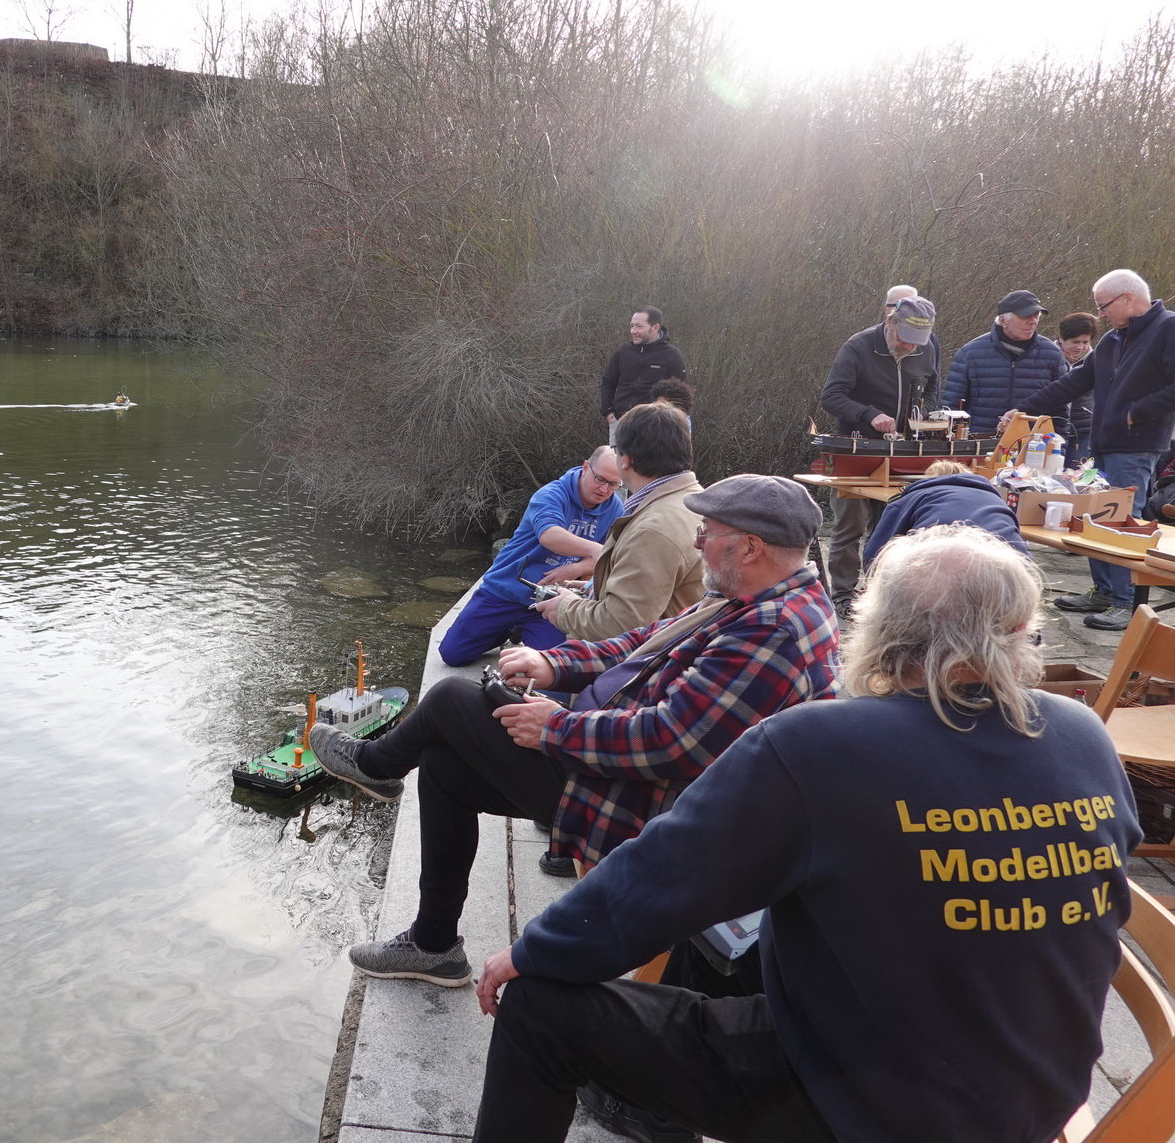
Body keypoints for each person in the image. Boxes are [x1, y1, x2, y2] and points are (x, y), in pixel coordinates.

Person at [469, 525, 1140, 1143]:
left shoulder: (820, 743)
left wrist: (534, 950)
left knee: (540, 1010)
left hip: (868, 1103)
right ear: (1021, 632)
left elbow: (659, 877)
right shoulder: (1081, 734)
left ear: (880, 628)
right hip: (1034, 1097)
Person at [308, 474, 837, 986]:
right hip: (629, 776)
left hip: (657, 813)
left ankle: (376, 766)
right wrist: (552, 665)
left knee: (450, 699)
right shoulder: (747, 598)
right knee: (444, 765)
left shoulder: (772, 629)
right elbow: (642, 644)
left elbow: (671, 741)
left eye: (708, 533)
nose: (698, 543)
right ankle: (433, 945)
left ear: (749, 547)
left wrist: (555, 727)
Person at [1003, 268, 1175, 629]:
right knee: (1094, 517)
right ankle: (1104, 591)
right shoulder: (1112, 341)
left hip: (1137, 445)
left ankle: (1126, 602)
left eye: (1103, 306)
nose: (1100, 315)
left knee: (1122, 520)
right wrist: (1024, 410)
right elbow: (1072, 383)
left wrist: (1136, 413)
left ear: (1127, 298)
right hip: (1102, 445)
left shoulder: (1168, 329)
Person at [437, 448, 625, 667]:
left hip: (549, 601)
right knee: (453, 655)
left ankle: (524, 628)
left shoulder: (615, 509)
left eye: (613, 484)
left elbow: (605, 558)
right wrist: (594, 549)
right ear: (585, 467)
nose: (604, 489)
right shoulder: (551, 494)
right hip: (505, 591)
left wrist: (576, 569)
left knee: (554, 666)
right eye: (600, 479)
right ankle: (508, 628)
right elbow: (549, 535)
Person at [536, 404, 705, 645]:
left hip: (651, 659)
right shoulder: (697, 502)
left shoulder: (653, 529)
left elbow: (622, 624)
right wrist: (599, 588)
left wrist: (565, 608)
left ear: (626, 460)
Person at [819, 288, 941, 615]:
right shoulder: (858, 346)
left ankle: (880, 595)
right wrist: (869, 414)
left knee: (891, 527)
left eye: (917, 342)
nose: (911, 347)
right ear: (890, 322)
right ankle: (843, 596)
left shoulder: (927, 347)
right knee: (850, 527)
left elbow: (932, 386)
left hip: (902, 452)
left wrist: (922, 412)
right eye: (905, 339)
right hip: (856, 451)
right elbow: (831, 396)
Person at [940, 289, 1069, 436]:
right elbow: (951, 407)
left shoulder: (1052, 354)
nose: (1033, 321)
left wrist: (1060, 444)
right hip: (979, 443)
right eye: (1025, 316)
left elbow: (1060, 409)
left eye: (1036, 315)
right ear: (1003, 320)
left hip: (1033, 444)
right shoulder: (969, 354)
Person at [862, 460, 1025, 566]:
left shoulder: (913, 498)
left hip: (936, 565)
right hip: (1009, 566)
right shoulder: (996, 500)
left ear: (929, 480)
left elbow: (875, 554)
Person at [601, 307, 688, 439]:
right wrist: (609, 413)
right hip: (620, 424)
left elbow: (682, 394)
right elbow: (608, 382)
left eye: (639, 326)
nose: (633, 331)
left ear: (655, 327)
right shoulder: (623, 351)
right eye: (632, 326)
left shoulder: (672, 354)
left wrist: (669, 423)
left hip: (654, 429)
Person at [1058, 311, 1099, 465]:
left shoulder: (1096, 361)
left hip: (1083, 432)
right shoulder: (1048, 356)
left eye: (1085, 342)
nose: (1080, 347)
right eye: (1075, 342)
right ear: (1061, 338)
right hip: (1053, 430)